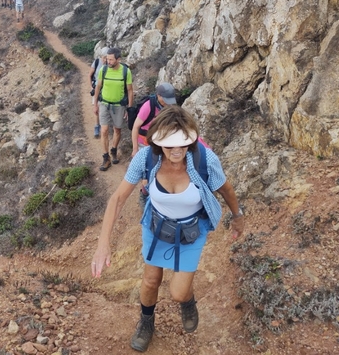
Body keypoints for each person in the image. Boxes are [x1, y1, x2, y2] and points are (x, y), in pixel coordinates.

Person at [91, 105, 244, 352]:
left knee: (178, 293)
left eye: (182, 144)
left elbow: (225, 189)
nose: (177, 150)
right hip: (157, 226)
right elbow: (118, 198)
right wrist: (103, 244)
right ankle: (146, 321)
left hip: (191, 232)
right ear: (157, 140)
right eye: (170, 144)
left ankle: (187, 300)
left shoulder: (205, 159)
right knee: (151, 281)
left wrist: (238, 216)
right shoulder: (146, 158)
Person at [92, 47, 134, 171]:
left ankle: (114, 149)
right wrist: (95, 104)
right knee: (104, 130)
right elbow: (98, 87)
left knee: (117, 130)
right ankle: (106, 158)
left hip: (119, 106)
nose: (108, 61)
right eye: (107, 59)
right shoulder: (103, 70)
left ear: (118, 59)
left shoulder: (126, 71)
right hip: (104, 104)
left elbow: (130, 91)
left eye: (110, 59)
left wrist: (130, 109)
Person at [88, 47, 108, 139]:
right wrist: (91, 86)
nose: (105, 59)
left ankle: (104, 125)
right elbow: (90, 75)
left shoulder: (111, 64)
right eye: (103, 57)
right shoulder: (96, 62)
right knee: (96, 108)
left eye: (107, 57)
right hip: (97, 88)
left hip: (107, 89)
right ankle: (97, 126)